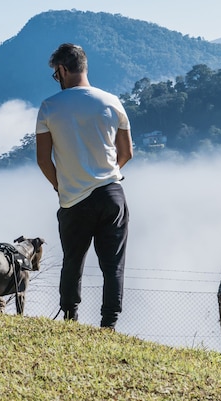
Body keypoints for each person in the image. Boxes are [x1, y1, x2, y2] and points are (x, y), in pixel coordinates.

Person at [35, 43, 133, 329]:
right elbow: (126, 153)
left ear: (63, 70)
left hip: (73, 199)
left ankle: (70, 317)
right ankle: (109, 324)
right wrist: (105, 176)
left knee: (73, 261)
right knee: (113, 264)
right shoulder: (112, 102)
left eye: (56, 74)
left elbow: (43, 159)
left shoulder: (50, 107)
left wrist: (60, 186)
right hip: (111, 193)